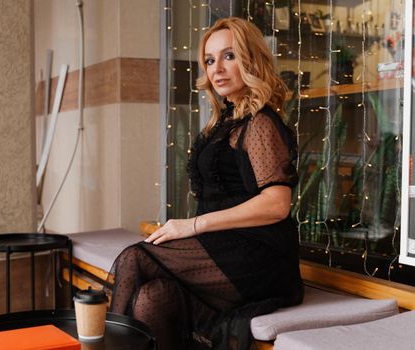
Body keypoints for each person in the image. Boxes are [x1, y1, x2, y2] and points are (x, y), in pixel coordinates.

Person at [108, 17, 303, 350]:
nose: (217, 69)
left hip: (259, 258)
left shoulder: (260, 123)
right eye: (210, 60)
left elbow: (277, 204)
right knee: (151, 298)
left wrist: (194, 225)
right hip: (223, 251)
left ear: (251, 59)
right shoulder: (224, 123)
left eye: (229, 56)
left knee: (134, 258)